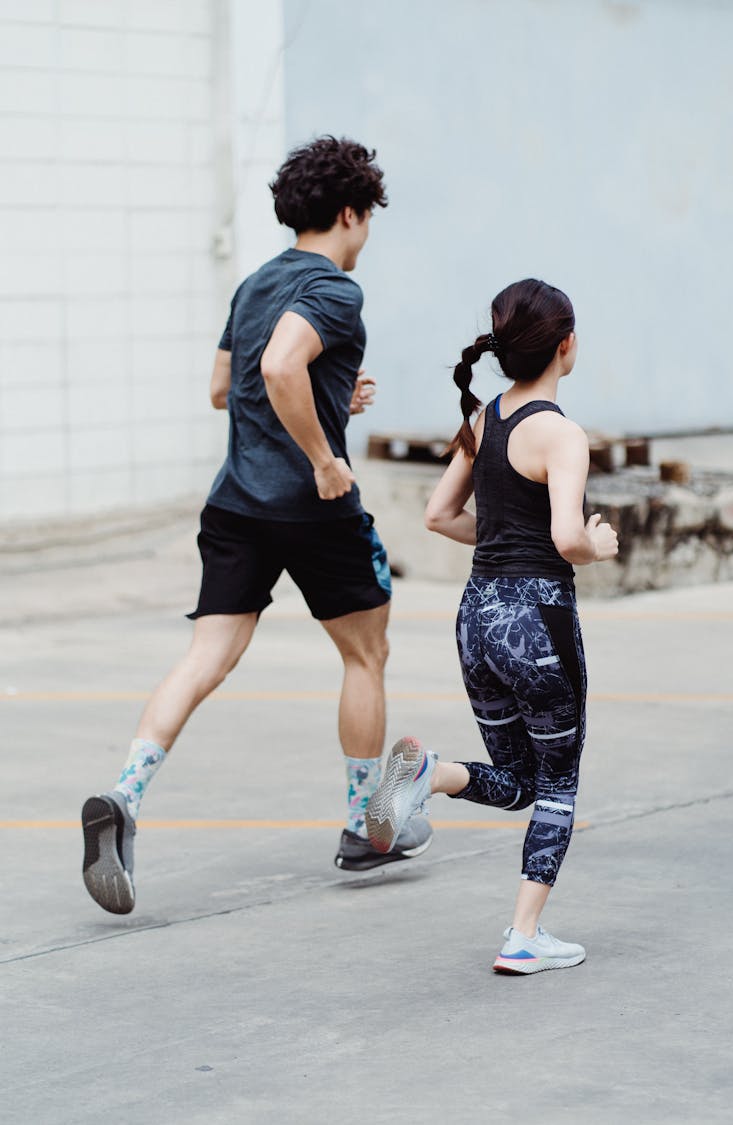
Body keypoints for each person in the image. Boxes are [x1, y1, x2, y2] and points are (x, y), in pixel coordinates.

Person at [81, 136, 432, 915]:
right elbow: (278, 368)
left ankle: (124, 794)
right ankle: (361, 828)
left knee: (207, 656)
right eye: (367, 215)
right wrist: (322, 454)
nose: (366, 230)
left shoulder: (254, 282)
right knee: (365, 652)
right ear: (349, 212)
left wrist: (332, 397)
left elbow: (223, 386)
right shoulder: (334, 289)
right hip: (312, 508)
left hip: (236, 503)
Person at [365, 279, 618, 974]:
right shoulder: (562, 435)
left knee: (516, 780)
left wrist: (509, 535)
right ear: (566, 346)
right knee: (558, 785)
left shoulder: (484, 420)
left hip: (477, 619)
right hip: (537, 622)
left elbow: (440, 517)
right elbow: (567, 537)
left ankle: (428, 772)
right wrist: (596, 544)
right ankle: (524, 935)